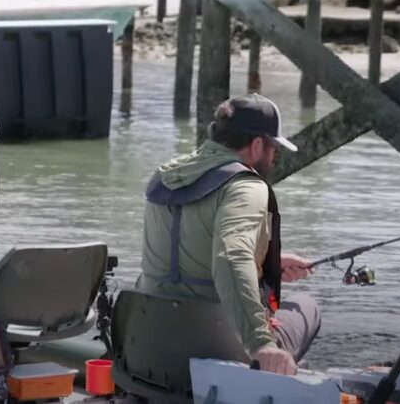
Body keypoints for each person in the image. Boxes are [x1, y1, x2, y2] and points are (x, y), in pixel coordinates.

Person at [137, 93, 320, 376]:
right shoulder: (245, 187)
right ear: (258, 145)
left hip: (150, 345)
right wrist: (261, 343)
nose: (274, 158)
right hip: (213, 346)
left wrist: (267, 262)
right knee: (306, 307)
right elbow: (232, 258)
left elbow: (186, 258)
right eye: (274, 150)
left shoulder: (164, 177)